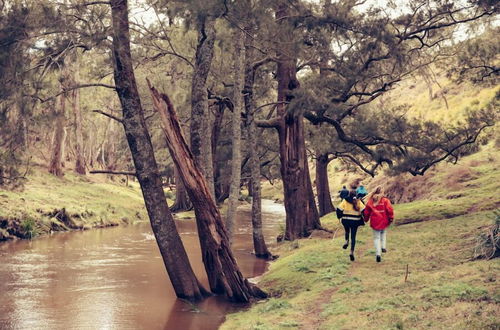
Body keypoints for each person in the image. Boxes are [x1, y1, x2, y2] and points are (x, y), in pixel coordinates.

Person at [363, 186, 394, 263]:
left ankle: (378, 254)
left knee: (376, 238)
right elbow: (390, 210)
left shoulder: (370, 201)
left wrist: (365, 219)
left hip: (375, 222)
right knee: (383, 234)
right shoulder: (385, 201)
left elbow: (366, 213)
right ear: (381, 192)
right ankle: (383, 247)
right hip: (384, 220)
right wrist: (391, 218)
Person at [336, 190, 365, 261]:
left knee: (347, 231)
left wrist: (339, 216)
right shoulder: (358, 202)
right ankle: (351, 252)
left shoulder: (345, 201)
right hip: (355, 221)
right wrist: (364, 218)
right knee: (353, 237)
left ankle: (346, 241)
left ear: (349, 194)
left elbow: (339, 209)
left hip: (346, 220)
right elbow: (364, 210)